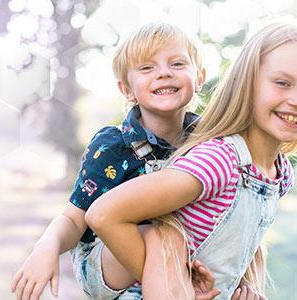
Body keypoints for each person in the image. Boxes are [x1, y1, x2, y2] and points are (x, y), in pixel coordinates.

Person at [86, 16, 297, 300]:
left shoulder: (279, 173)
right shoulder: (219, 160)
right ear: (247, 84)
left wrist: (252, 285)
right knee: (165, 238)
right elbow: (104, 214)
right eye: (282, 83)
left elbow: (252, 238)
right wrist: (179, 285)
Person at [11, 22, 224, 300]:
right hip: (106, 263)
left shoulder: (208, 143)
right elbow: (75, 219)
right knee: (162, 235)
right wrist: (47, 246)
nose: (164, 73)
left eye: (177, 63)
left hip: (174, 260)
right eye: (147, 68)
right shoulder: (113, 146)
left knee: (176, 236)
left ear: (199, 78)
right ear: (127, 89)